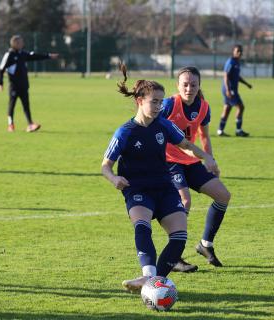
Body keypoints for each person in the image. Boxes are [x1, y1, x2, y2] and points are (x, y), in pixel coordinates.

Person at [101, 64, 216, 293]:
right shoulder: (125, 132)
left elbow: (185, 144)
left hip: (164, 187)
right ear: (139, 101)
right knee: (142, 226)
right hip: (137, 189)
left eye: (161, 102)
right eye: (154, 101)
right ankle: (148, 275)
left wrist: (206, 157)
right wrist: (114, 179)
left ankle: (153, 283)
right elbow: (105, 165)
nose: (158, 106)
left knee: (179, 236)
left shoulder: (164, 125)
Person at [162, 67, 231, 271]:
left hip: (191, 160)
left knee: (223, 195)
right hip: (168, 161)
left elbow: (204, 136)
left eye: (193, 84)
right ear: (178, 85)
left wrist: (211, 161)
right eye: (185, 84)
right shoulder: (168, 105)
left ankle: (205, 245)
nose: (189, 88)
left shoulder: (203, 107)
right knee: (185, 201)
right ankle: (173, 257)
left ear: (199, 85)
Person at [0, 34, 59, 133]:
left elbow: (35, 56)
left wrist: (49, 56)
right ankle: (10, 124)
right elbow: (1, 70)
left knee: (26, 105)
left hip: (24, 85)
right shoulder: (9, 55)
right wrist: (0, 83)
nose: (23, 43)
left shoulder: (23, 54)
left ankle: (30, 124)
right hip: (14, 86)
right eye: (21, 42)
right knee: (12, 105)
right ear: (15, 43)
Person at [217, 44, 252, 137]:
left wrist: (246, 84)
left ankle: (220, 130)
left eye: (240, 51)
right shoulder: (231, 62)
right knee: (241, 107)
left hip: (231, 90)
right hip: (230, 90)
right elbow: (226, 75)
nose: (239, 53)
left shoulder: (237, 62)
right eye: (237, 51)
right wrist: (228, 89)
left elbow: (237, 77)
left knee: (227, 109)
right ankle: (238, 130)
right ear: (233, 52)